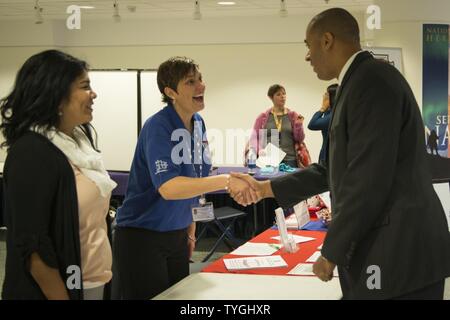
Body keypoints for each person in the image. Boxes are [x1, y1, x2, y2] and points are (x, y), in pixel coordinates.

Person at [231, 8, 450, 299]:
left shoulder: (371, 82)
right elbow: (330, 168)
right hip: (392, 251)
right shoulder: (357, 82)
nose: (307, 57)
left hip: (398, 253)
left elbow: (367, 179)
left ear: (327, 40)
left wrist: (332, 251)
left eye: (308, 46)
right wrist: (266, 188)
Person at [113, 56, 256, 300]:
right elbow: (169, 187)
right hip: (142, 236)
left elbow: (197, 178)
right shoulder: (158, 127)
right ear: (171, 92)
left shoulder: (198, 123)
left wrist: (190, 230)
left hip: (177, 235)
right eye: (191, 82)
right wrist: (226, 180)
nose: (201, 86)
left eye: (200, 79)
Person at [0, 50, 116, 300]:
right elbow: (33, 247)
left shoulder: (79, 141)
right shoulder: (32, 152)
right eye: (85, 86)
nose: (93, 94)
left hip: (93, 280)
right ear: (56, 94)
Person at [247, 84, 311, 168]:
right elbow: (254, 138)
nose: (282, 96)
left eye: (284, 94)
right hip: (269, 160)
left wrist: (298, 125)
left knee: (289, 181)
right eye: (278, 94)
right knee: (269, 181)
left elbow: (299, 139)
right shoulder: (263, 117)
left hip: (290, 160)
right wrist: (260, 151)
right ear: (271, 97)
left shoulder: (293, 115)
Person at [307, 84, 338, 164]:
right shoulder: (331, 113)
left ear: (332, 97)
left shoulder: (333, 115)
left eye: (326, 94)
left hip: (329, 157)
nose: (323, 96)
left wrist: (323, 107)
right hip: (326, 154)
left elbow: (312, 125)